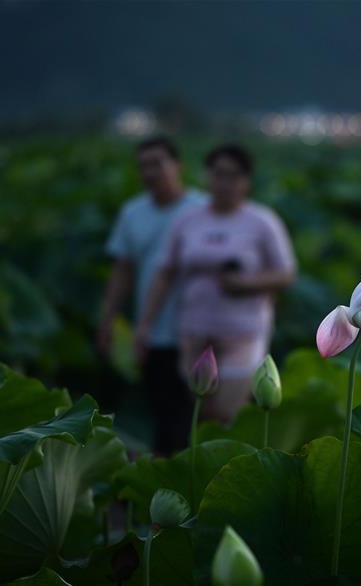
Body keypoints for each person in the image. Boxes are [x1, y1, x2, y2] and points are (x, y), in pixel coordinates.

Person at [135, 144, 296, 422]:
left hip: (244, 332)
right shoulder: (186, 221)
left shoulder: (262, 221)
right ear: (207, 176)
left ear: (246, 181)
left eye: (233, 176)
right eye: (218, 174)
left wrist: (245, 284)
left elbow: (286, 273)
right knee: (200, 413)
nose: (224, 183)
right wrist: (145, 325)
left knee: (226, 413)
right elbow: (165, 273)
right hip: (194, 331)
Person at [98, 136, 206, 454]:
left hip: (198, 328)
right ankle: (161, 482)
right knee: (162, 412)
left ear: (178, 165)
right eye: (143, 166)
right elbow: (122, 272)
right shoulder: (132, 213)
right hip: (154, 329)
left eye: (157, 163)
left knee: (196, 413)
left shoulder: (201, 208)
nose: (149, 172)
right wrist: (108, 320)